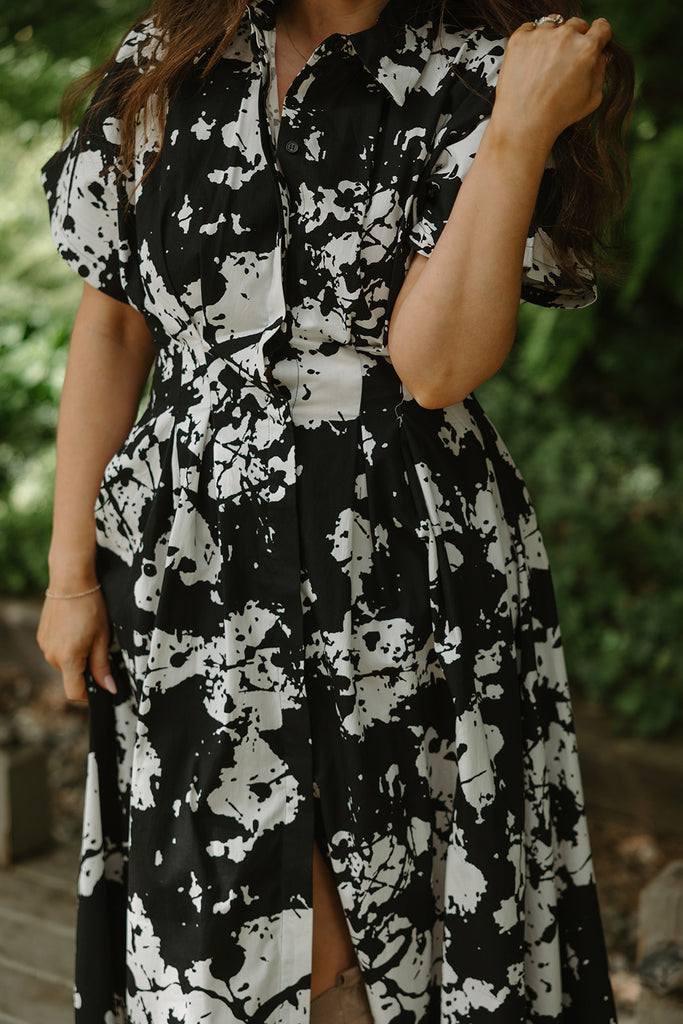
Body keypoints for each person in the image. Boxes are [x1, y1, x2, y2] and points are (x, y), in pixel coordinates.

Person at [36, 0, 633, 1020]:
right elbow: (114, 327)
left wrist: (518, 134)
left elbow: (435, 362)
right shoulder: (165, 59)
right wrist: (70, 574)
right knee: (220, 910)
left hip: (405, 561)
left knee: (393, 906)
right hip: (192, 567)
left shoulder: (491, 74)